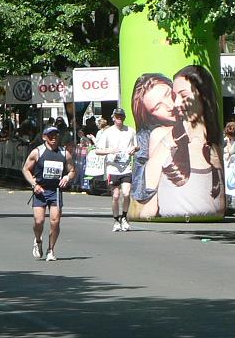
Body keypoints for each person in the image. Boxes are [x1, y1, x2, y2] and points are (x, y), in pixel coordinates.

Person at [165, 65, 224, 218]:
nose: (177, 104)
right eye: (174, 97)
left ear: (203, 96)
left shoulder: (214, 145)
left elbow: (220, 205)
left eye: (183, 96)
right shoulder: (169, 139)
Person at [22, 126, 75, 262]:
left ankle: (51, 250)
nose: (53, 138)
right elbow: (26, 169)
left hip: (55, 191)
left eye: (56, 135)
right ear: (44, 137)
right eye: (50, 135)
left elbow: (72, 170)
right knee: (39, 221)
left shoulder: (65, 153)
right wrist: (34, 185)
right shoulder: (37, 152)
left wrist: (67, 177)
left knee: (55, 222)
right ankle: (38, 240)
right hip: (40, 190)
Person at [130, 73, 176, 219]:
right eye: (157, 107)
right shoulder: (158, 135)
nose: (170, 106)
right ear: (151, 117)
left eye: (169, 94)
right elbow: (144, 202)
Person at [94, 107, 138, 232]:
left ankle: (124, 217)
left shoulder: (130, 131)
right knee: (116, 196)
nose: (119, 119)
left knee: (126, 193)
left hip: (126, 167)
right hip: (112, 168)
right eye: (117, 117)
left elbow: (137, 146)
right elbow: (97, 150)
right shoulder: (107, 132)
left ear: (124, 118)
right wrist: (110, 151)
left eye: (121, 117)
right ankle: (116, 219)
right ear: (113, 118)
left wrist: (134, 149)